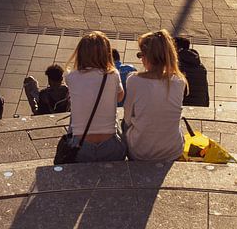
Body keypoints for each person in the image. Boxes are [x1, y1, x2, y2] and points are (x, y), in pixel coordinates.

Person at [123, 29, 187, 162]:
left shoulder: (134, 80)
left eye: (141, 55)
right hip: (172, 150)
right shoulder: (179, 81)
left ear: (147, 57)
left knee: (122, 127)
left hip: (140, 152)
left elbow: (128, 118)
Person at [65, 31, 126, 162]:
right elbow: (120, 98)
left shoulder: (71, 77)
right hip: (110, 145)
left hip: (81, 146)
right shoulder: (113, 74)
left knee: (74, 117)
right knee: (116, 119)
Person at [174, 36, 210, 107]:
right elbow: (206, 94)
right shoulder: (200, 66)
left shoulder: (177, 68)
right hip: (200, 106)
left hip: (184, 107)